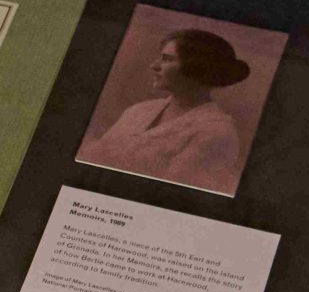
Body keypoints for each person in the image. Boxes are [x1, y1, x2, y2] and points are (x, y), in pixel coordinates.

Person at [80, 27, 253, 193]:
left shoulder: (216, 133)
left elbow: (174, 194)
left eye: (167, 59)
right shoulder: (138, 111)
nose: (154, 66)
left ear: (197, 68)